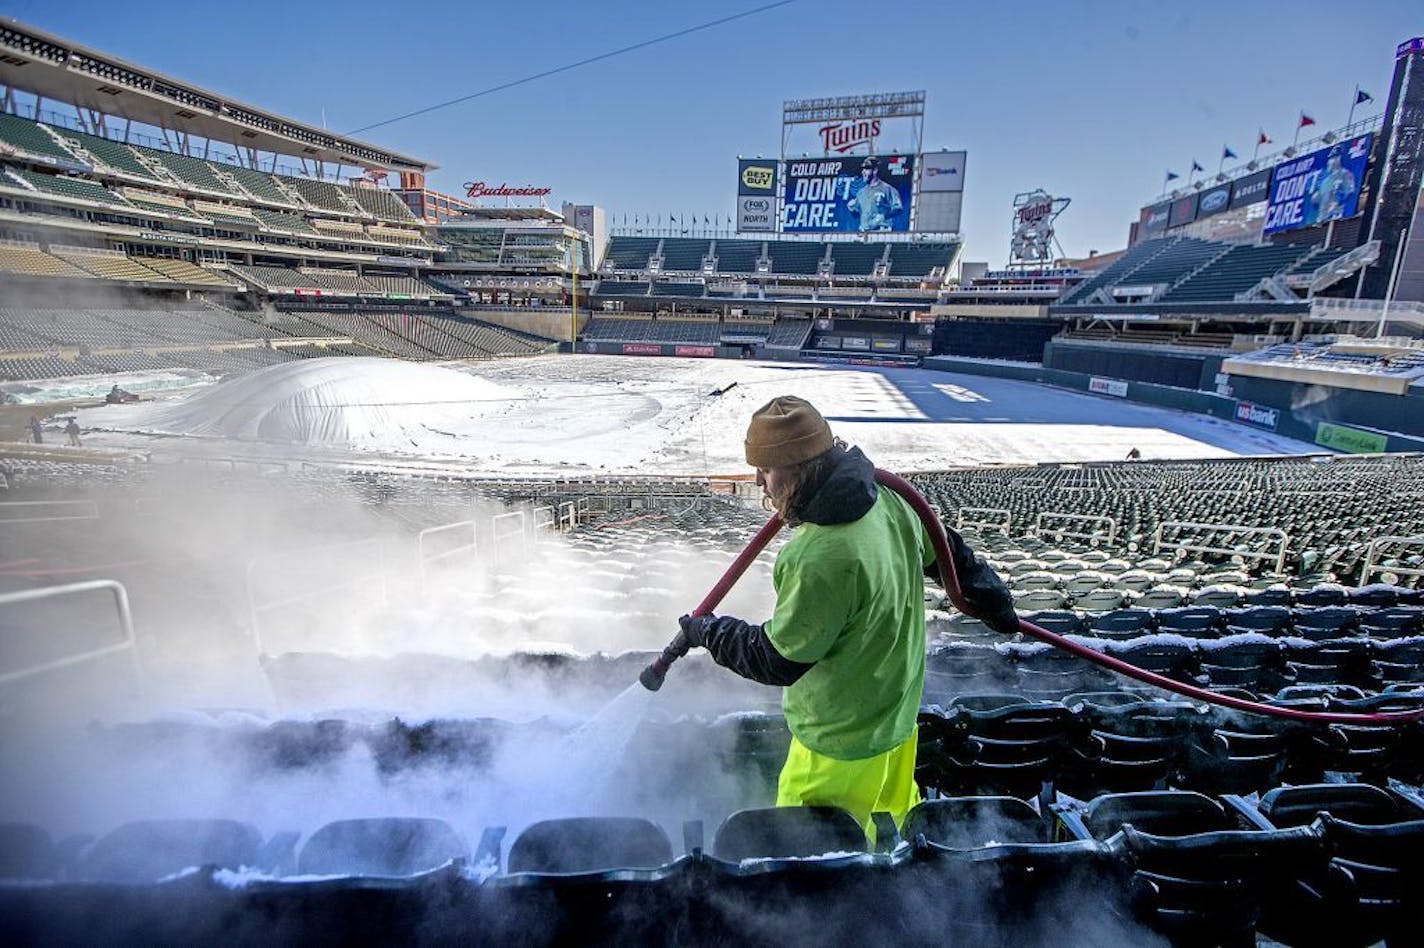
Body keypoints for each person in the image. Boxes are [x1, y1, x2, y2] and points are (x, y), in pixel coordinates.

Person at [678, 396, 1017, 840]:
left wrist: (711, 632)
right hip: (895, 724)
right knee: (887, 833)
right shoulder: (891, 500)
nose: (759, 480)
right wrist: (989, 593)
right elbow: (946, 551)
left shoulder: (820, 555)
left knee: (814, 860)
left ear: (800, 468)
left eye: (767, 468)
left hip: (837, 747)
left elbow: (777, 659)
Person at [845, 156, 903, 232]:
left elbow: (898, 209)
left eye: (866, 169)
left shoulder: (887, 189)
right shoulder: (860, 192)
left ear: (875, 170)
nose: (863, 172)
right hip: (864, 233)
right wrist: (851, 209)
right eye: (863, 169)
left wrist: (883, 216)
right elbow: (857, 215)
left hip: (881, 232)